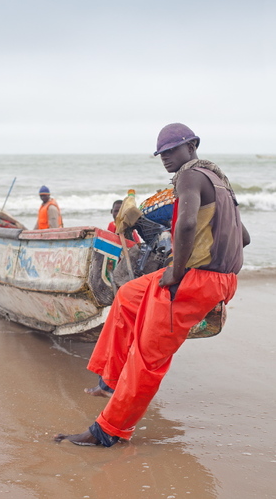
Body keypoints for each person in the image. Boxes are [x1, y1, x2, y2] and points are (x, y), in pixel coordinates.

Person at [54, 123, 250, 447]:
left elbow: (186, 224)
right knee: (129, 295)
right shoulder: (221, 184)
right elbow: (243, 237)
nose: (166, 158)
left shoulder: (189, 175)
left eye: (172, 150)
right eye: (161, 154)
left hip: (196, 281)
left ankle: (108, 431)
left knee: (148, 357)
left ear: (192, 146)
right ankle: (111, 380)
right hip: (222, 279)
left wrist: (177, 272)